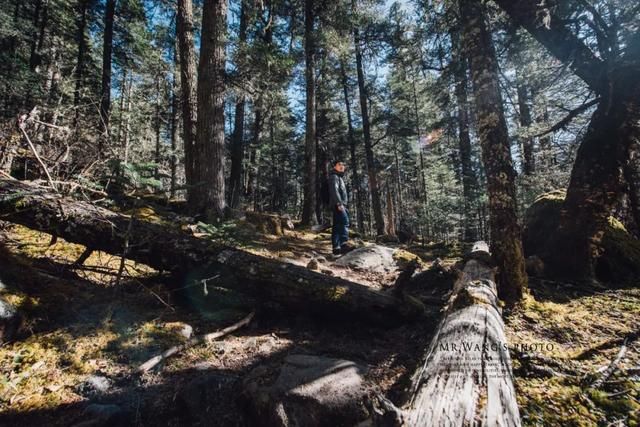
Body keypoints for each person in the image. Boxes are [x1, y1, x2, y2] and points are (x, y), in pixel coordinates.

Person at [328, 160, 354, 255]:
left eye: (343, 164)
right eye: (339, 164)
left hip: (339, 204)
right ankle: (344, 244)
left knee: (336, 226)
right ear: (334, 167)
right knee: (344, 222)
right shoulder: (334, 177)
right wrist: (339, 204)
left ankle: (336, 248)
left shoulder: (338, 177)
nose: (342, 166)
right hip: (338, 204)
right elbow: (334, 190)